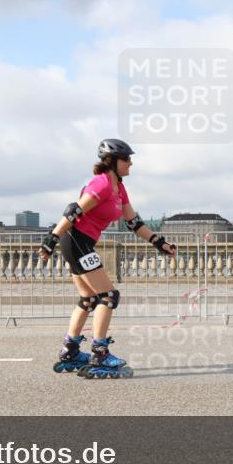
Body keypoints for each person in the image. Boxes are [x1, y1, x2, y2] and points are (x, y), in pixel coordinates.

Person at [39, 139, 177, 379]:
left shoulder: (119, 188)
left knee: (88, 299)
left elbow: (134, 223)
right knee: (108, 296)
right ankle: (99, 353)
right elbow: (74, 211)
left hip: (80, 242)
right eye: (126, 159)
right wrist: (51, 238)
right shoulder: (101, 184)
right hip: (75, 240)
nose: (131, 163)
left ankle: (70, 351)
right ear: (112, 161)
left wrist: (159, 242)